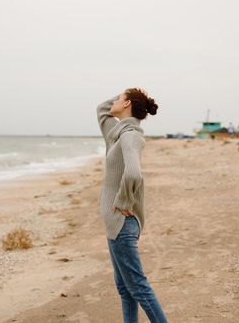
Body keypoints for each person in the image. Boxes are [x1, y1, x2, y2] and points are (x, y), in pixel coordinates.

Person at [96, 88, 168, 323]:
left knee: (137, 288)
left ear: (126, 103)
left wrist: (123, 201)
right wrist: (127, 96)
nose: (113, 100)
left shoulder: (130, 136)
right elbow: (102, 110)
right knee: (125, 289)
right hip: (116, 224)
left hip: (122, 223)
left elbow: (134, 173)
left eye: (119, 97)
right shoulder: (117, 133)